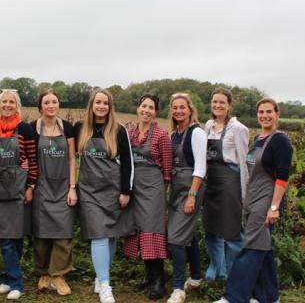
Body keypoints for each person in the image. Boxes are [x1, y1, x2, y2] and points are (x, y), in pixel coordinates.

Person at [215, 98, 293, 303]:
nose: (264, 115)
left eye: (269, 112)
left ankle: (233, 297)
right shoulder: (258, 139)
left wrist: (274, 207)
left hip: (266, 202)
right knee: (263, 249)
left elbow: (282, 178)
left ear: (277, 114)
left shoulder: (280, 141)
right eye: (261, 112)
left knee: (250, 248)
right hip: (252, 201)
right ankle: (268, 297)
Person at [74, 88, 134, 303]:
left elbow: (128, 162)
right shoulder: (79, 127)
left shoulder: (118, 130)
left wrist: (126, 190)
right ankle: (106, 285)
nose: (101, 106)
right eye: (98, 102)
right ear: (91, 105)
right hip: (89, 190)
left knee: (110, 234)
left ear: (110, 107)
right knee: (98, 234)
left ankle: (101, 278)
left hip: (112, 189)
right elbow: (67, 155)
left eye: (105, 103)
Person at [0, 89, 37, 300]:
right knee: (5, 238)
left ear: (17, 106)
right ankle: (14, 282)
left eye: (11, 102)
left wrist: (30, 186)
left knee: (16, 237)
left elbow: (33, 160)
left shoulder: (25, 128)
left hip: (19, 188)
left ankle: (9, 279)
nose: (7, 105)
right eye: (4, 102)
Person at [122, 93, 172, 300]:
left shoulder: (161, 135)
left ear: (155, 112)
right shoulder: (130, 132)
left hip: (153, 190)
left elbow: (167, 171)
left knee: (152, 232)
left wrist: (161, 195)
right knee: (140, 231)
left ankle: (160, 280)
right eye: (144, 106)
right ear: (138, 108)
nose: (146, 110)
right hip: (135, 189)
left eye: (151, 108)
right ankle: (149, 275)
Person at [30, 89, 77, 296]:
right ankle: (44, 273)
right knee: (41, 234)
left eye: (54, 102)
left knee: (64, 232)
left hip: (63, 187)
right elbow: (28, 158)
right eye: (46, 102)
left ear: (58, 105)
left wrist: (72, 188)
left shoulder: (67, 128)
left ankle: (58, 275)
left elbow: (71, 159)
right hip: (41, 187)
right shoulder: (32, 128)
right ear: (40, 107)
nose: (51, 105)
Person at [203, 88, 249, 282]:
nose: (217, 105)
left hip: (230, 181)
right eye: (215, 102)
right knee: (211, 229)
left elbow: (244, 163)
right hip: (211, 182)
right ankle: (217, 269)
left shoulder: (238, 129)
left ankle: (235, 275)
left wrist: (244, 194)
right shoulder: (207, 126)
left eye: (222, 102)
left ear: (229, 105)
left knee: (232, 231)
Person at [166, 93, 207, 303]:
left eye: (182, 107)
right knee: (186, 235)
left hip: (192, 187)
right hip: (176, 188)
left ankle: (178, 288)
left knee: (175, 238)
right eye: (175, 108)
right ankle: (197, 277)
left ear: (190, 110)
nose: (178, 111)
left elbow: (200, 166)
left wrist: (192, 195)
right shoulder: (174, 134)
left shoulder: (196, 133)